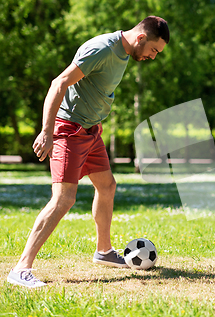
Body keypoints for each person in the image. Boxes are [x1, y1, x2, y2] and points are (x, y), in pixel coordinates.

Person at [7, 16, 170, 288]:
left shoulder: (125, 52)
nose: (153, 57)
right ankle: (22, 267)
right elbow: (59, 83)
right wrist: (47, 131)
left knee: (107, 186)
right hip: (69, 129)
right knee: (63, 199)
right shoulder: (103, 48)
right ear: (141, 38)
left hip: (91, 131)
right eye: (154, 50)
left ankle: (104, 252)